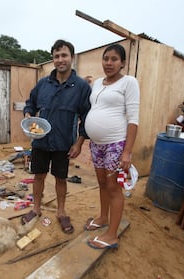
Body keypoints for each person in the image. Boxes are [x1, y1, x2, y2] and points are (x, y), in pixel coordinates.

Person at [22, 39, 92, 234]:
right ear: (52, 59)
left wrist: (79, 143)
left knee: (61, 178)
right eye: (56, 56)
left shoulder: (81, 87)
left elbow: (86, 116)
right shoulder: (43, 84)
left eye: (64, 55)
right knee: (39, 175)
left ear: (72, 58)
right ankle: (36, 209)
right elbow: (30, 104)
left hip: (64, 143)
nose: (60, 60)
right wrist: (28, 115)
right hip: (41, 140)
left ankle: (61, 212)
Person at [84, 44, 140, 249]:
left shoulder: (129, 82)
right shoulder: (98, 83)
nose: (108, 63)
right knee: (101, 184)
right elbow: (96, 100)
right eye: (105, 58)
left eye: (114, 59)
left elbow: (133, 120)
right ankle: (102, 217)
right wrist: (87, 81)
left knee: (114, 188)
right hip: (96, 144)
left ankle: (111, 235)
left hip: (115, 145)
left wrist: (127, 151)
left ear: (122, 62)